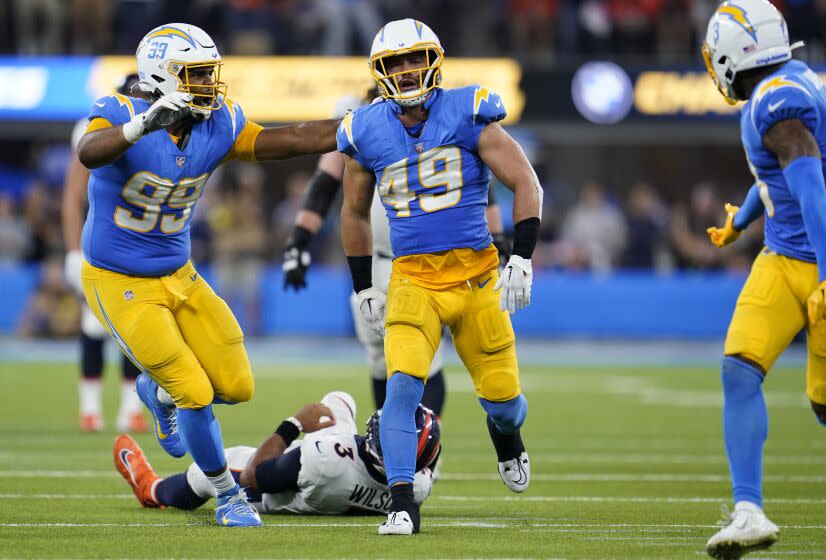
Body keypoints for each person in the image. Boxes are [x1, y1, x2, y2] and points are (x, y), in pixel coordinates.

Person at [75, 23, 340, 528]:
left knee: (238, 386)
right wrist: (143, 125)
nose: (207, 85)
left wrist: (353, 127)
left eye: (208, 73)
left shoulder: (217, 122)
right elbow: (88, 153)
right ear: (163, 75)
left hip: (179, 272)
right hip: (119, 280)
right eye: (195, 74)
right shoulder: (120, 111)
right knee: (195, 392)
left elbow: (288, 139)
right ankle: (226, 495)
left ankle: (157, 392)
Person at [339, 19, 543, 535]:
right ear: (380, 72)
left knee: (505, 405)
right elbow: (353, 213)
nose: (407, 71)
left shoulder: (467, 110)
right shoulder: (365, 128)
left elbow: (524, 180)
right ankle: (403, 500)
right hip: (412, 281)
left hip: (477, 276)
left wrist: (521, 254)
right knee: (401, 388)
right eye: (395, 63)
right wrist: (363, 284)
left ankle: (506, 436)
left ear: (434, 60)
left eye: (415, 59)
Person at [702, 1, 826, 557]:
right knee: (739, 368)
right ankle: (748, 510)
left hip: (825, 261)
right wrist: (741, 221)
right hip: (782, 260)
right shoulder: (784, 87)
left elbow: (811, 193)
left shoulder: (779, 104)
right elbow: (780, 180)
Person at [282, 89, 513, 417]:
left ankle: (425, 456)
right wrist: (299, 240)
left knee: (425, 361)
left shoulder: (437, 120)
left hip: (428, 262)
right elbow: (325, 183)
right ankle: (390, 445)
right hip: (375, 261)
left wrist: (499, 238)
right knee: (380, 358)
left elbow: (478, 181)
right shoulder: (362, 123)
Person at [113, 391, 439, 516]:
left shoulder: (325, 458)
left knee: (206, 474)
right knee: (340, 402)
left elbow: (257, 475)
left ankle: (150, 489)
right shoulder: (418, 487)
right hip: (349, 480)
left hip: (290, 487)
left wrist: (293, 424)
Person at [62, 73, 146, 433]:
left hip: (138, 242)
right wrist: (71, 248)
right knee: (95, 324)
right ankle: (91, 408)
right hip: (102, 242)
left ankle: (130, 409)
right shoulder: (102, 125)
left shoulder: (158, 125)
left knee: (138, 325)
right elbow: (73, 194)